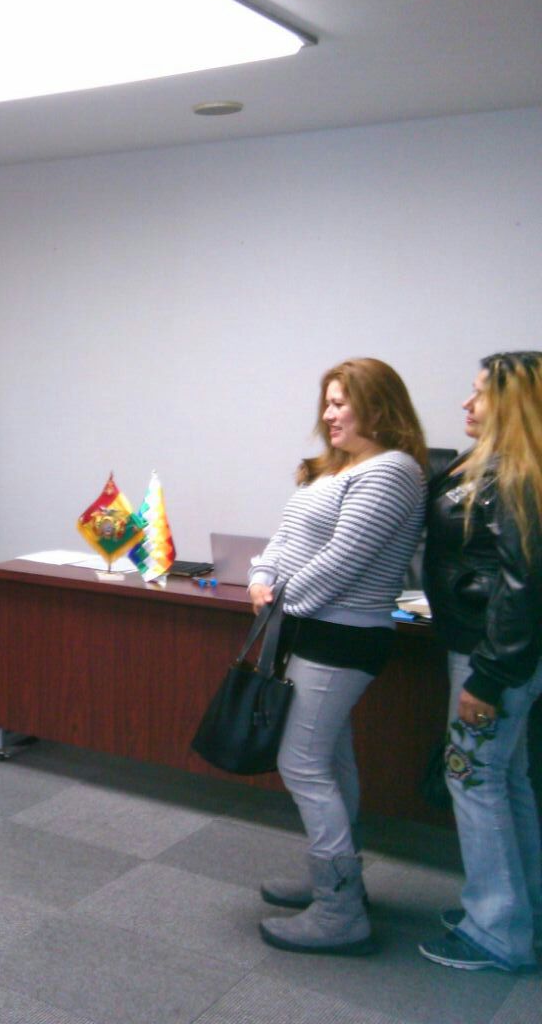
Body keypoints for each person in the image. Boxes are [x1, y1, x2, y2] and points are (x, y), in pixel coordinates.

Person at [250, 358, 427, 955]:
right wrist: (261, 576)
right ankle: (337, 878)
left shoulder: (392, 469)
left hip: (343, 635)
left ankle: (339, 910)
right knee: (329, 759)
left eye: (340, 403)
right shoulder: (334, 468)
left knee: (302, 764)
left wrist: (280, 601)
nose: (328, 414)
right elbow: (286, 538)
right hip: (311, 628)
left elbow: (342, 561)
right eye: (326, 403)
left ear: (378, 406)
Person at [419, 351, 542, 973]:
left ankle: (495, 931)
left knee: (472, 778)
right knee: (506, 778)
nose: (466, 404)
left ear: (514, 404)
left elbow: (524, 585)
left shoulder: (518, 475)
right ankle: (523, 914)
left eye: (480, 394)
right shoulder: (495, 465)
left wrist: (488, 677)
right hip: (492, 653)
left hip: (491, 658)